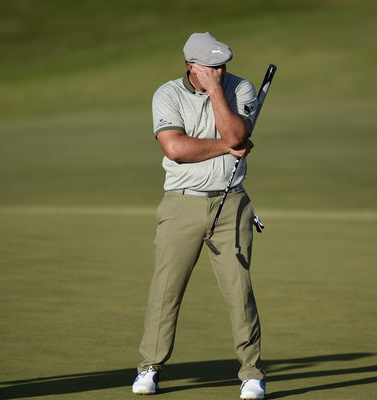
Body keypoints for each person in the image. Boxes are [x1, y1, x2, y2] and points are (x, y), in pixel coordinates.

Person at [132, 32, 266, 399]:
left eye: (223, 66)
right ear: (192, 66)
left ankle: (251, 373)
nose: (219, 72)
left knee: (239, 292)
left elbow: (239, 131)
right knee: (166, 290)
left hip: (232, 203)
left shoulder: (240, 89)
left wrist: (217, 92)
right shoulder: (168, 94)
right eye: (211, 68)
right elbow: (176, 148)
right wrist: (227, 146)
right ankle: (149, 367)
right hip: (181, 203)